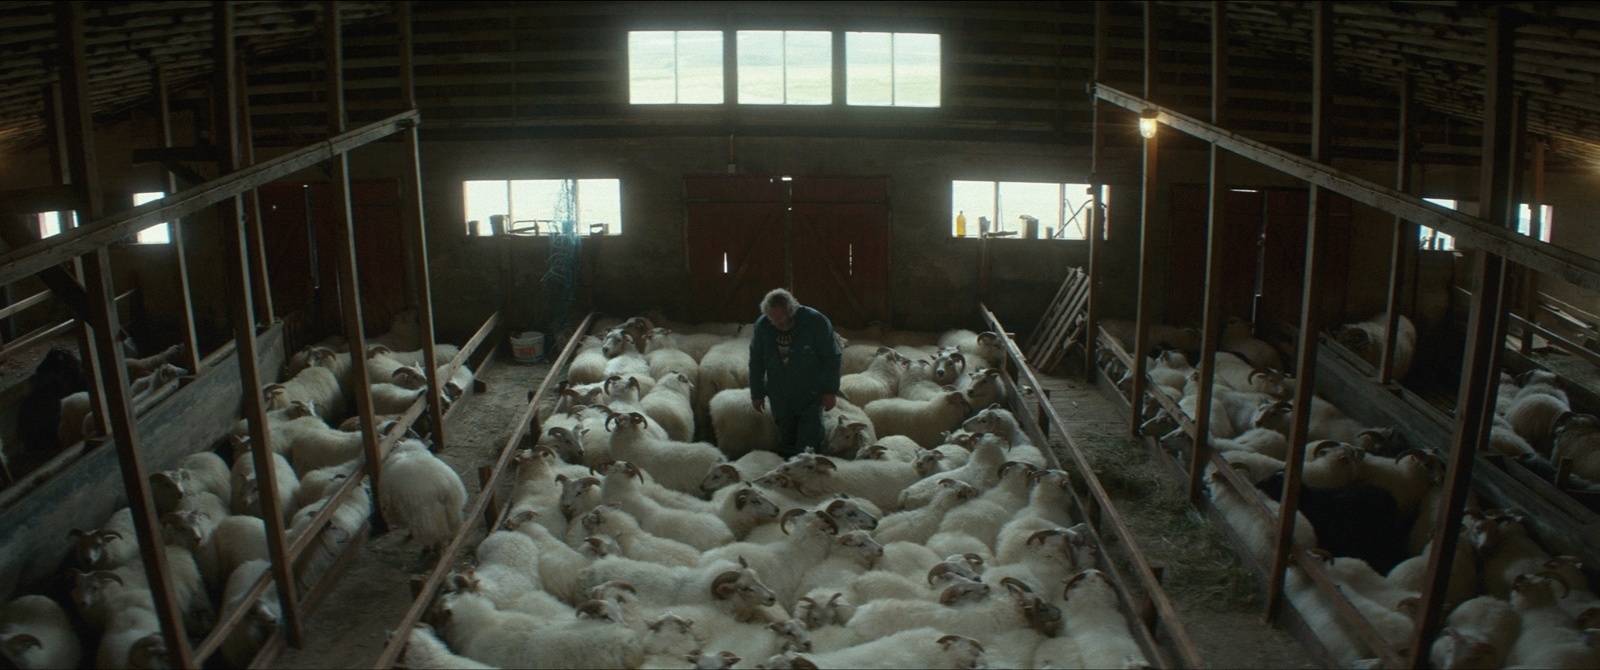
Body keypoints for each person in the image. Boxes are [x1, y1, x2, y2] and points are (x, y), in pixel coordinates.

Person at [749, 288, 841, 457]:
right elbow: (756, 361)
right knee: (786, 439)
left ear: (789, 310)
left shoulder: (814, 321)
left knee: (809, 441)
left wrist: (830, 390)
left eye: (778, 316)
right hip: (780, 393)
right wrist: (757, 393)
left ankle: (809, 477)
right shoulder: (763, 325)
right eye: (771, 316)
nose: (774, 321)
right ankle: (789, 475)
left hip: (809, 391)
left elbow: (831, 357)